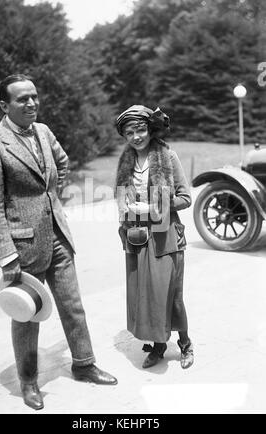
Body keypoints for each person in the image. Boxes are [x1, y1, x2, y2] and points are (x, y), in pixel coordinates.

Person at [0, 74, 117, 411]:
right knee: (26, 316)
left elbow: (62, 161)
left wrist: (50, 197)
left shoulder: (44, 131)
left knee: (73, 304)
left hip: (58, 236)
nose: (32, 104)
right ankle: (28, 382)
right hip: (23, 248)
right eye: (22, 99)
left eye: (34, 97)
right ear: (4, 105)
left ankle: (84, 364)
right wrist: (7, 255)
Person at [115, 104, 194, 370]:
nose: (136, 137)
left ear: (149, 129)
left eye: (140, 130)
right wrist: (125, 216)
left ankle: (185, 344)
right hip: (138, 237)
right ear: (124, 136)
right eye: (129, 132)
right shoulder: (125, 161)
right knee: (146, 294)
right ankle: (159, 345)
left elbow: (185, 198)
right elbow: (122, 198)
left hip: (166, 236)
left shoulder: (166, 156)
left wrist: (154, 207)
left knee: (171, 294)